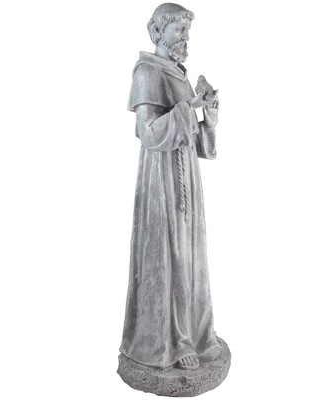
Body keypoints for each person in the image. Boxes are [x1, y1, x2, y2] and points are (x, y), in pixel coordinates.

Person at [119, 3, 221, 371]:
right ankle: (172, 342)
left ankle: (194, 332)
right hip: (162, 177)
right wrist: (188, 108)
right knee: (171, 252)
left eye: (187, 30)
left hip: (186, 175)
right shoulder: (147, 72)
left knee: (190, 252)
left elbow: (192, 137)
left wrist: (208, 119)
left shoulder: (178, 73)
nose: (186, 37)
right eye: (179, 30)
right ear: (157, 32)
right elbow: (148, 133)